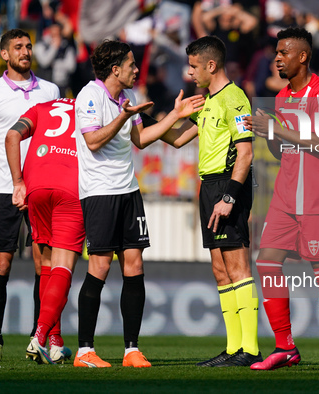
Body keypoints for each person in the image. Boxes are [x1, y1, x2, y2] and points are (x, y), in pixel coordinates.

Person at [73, 39, 204, 368]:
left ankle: (131, 349)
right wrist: (123, 116)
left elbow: (142, 140)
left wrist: (179, 115)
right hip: (100, 193)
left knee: (134, 266)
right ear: (115, 69)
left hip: (129, 191)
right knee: (100, 267)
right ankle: (84, 351)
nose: (136, 69)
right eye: (132, 64)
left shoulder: (127, 98)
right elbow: (92, 141)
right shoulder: (90, 95)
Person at [244, 27, 319, 372]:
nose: (277, 58)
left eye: (283, 52)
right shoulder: (282, 97)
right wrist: (265, 130)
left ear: (302, 56)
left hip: (317, 196)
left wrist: (274, 128)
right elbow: (280, 148)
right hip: (286, 196)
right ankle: (285, 347)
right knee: (267, 262)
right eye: (276, 52)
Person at [158, 35, 260, 367]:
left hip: (228, 185)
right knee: (220, 270)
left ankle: (251, 348)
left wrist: (229, 197)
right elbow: (176, 141)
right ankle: (233, 348)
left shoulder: (235, 99)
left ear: (211, 65)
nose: (189, 73)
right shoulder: (206, 101)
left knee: (238, 266)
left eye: (193, 66)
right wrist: (170, 115)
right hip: (209, 187)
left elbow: (245, 153)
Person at [0, 28, 60, 363]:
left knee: (44, 264)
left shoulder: (50, 90)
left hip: (41, 188)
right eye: (18, 47)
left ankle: (39, 339)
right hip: (4, 190)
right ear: (5, 55)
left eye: (28, 46)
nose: (25, 51)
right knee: (1, 262)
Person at [5, 98, 81, 364]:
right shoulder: (91, 106)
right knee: (65, 265)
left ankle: (56, 341)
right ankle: (38, 338)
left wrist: (17, 182)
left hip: (35, 185)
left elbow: (13, 135)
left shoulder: (41, 107)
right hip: (71, 186)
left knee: (47, 263)